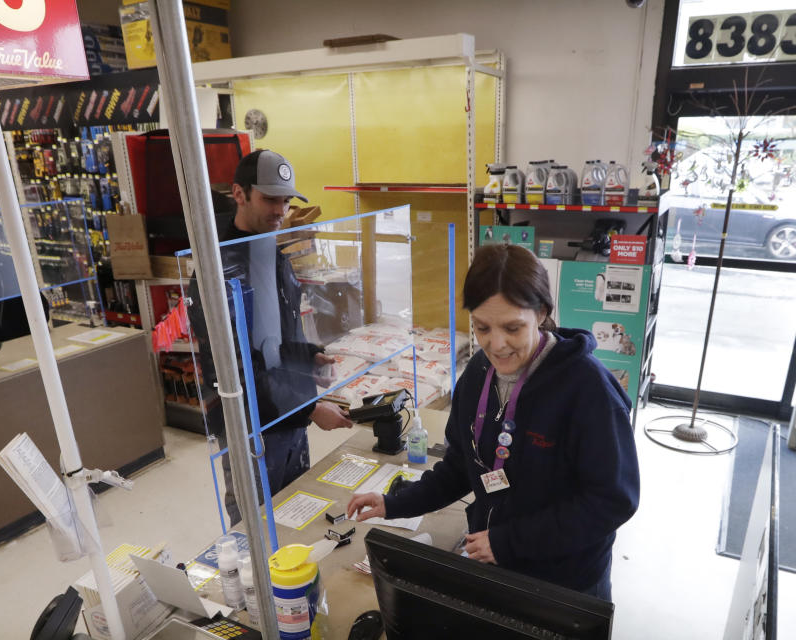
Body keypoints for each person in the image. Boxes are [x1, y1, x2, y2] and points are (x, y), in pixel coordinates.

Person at [347, 244, 639, 601]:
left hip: (564, 583)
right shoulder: (478, 373)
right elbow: (461, 466)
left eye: (513, 328)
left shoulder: (590, 390)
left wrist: (509, 542)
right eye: (482, 327)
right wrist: (395, 503)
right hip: (495, 563)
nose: (496, 344)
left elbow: (611, 501)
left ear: (542, 312)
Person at [190, 149, 353, 526]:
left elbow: (274, 340)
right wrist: (310, 409)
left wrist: (308, 356)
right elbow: (235, 366)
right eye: (270, 199)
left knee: (299, 519)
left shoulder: (274, 254)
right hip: (252, 428)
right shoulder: (219, 271)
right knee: (257, 531)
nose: (281, 210)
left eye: (286, 200)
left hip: (290, 419)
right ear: (239, 193)